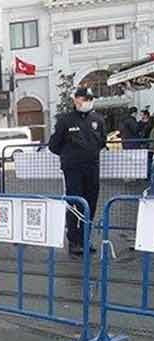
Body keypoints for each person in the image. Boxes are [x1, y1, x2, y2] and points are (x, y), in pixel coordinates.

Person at [48, 87, 107, 256]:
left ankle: (85, 239)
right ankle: (74, 241)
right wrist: (69, 155)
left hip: (92, 167)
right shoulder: (65, 120)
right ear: (75, 100)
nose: (86, 101)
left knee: (91, 203)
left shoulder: (98, 119)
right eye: (83, 98)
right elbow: (54, 145)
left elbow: (102, 141)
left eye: (88, 98)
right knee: (75, 203)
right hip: (73, 169)